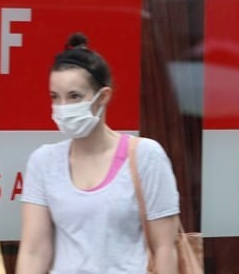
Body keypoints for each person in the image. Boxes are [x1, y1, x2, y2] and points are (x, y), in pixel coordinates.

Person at [16, 33, 180, 274]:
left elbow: (165, 249)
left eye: (74, 97)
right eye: (55, 97)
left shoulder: (146, 156)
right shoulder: (43, 162)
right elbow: (34, 251)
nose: (63, 107)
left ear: (103, 97)